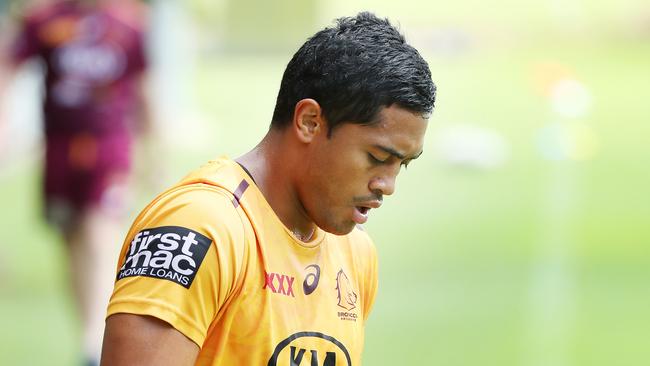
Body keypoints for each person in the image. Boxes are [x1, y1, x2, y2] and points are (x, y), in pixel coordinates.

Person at [101, 11, 436, 366]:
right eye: (377, 156)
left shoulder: (355, 253)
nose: (388, 185)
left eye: (403, 164)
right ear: (310, 121)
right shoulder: (199, 229)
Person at [0, 0, 149, 364]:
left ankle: (93, 340)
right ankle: (89, 331)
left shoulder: (127, 23)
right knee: (71, 239)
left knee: (100, 230)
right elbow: (9, 63)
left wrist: (151, 143)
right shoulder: (45, 19)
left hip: (109, 148)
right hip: (60, 149)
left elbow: (143, 86)